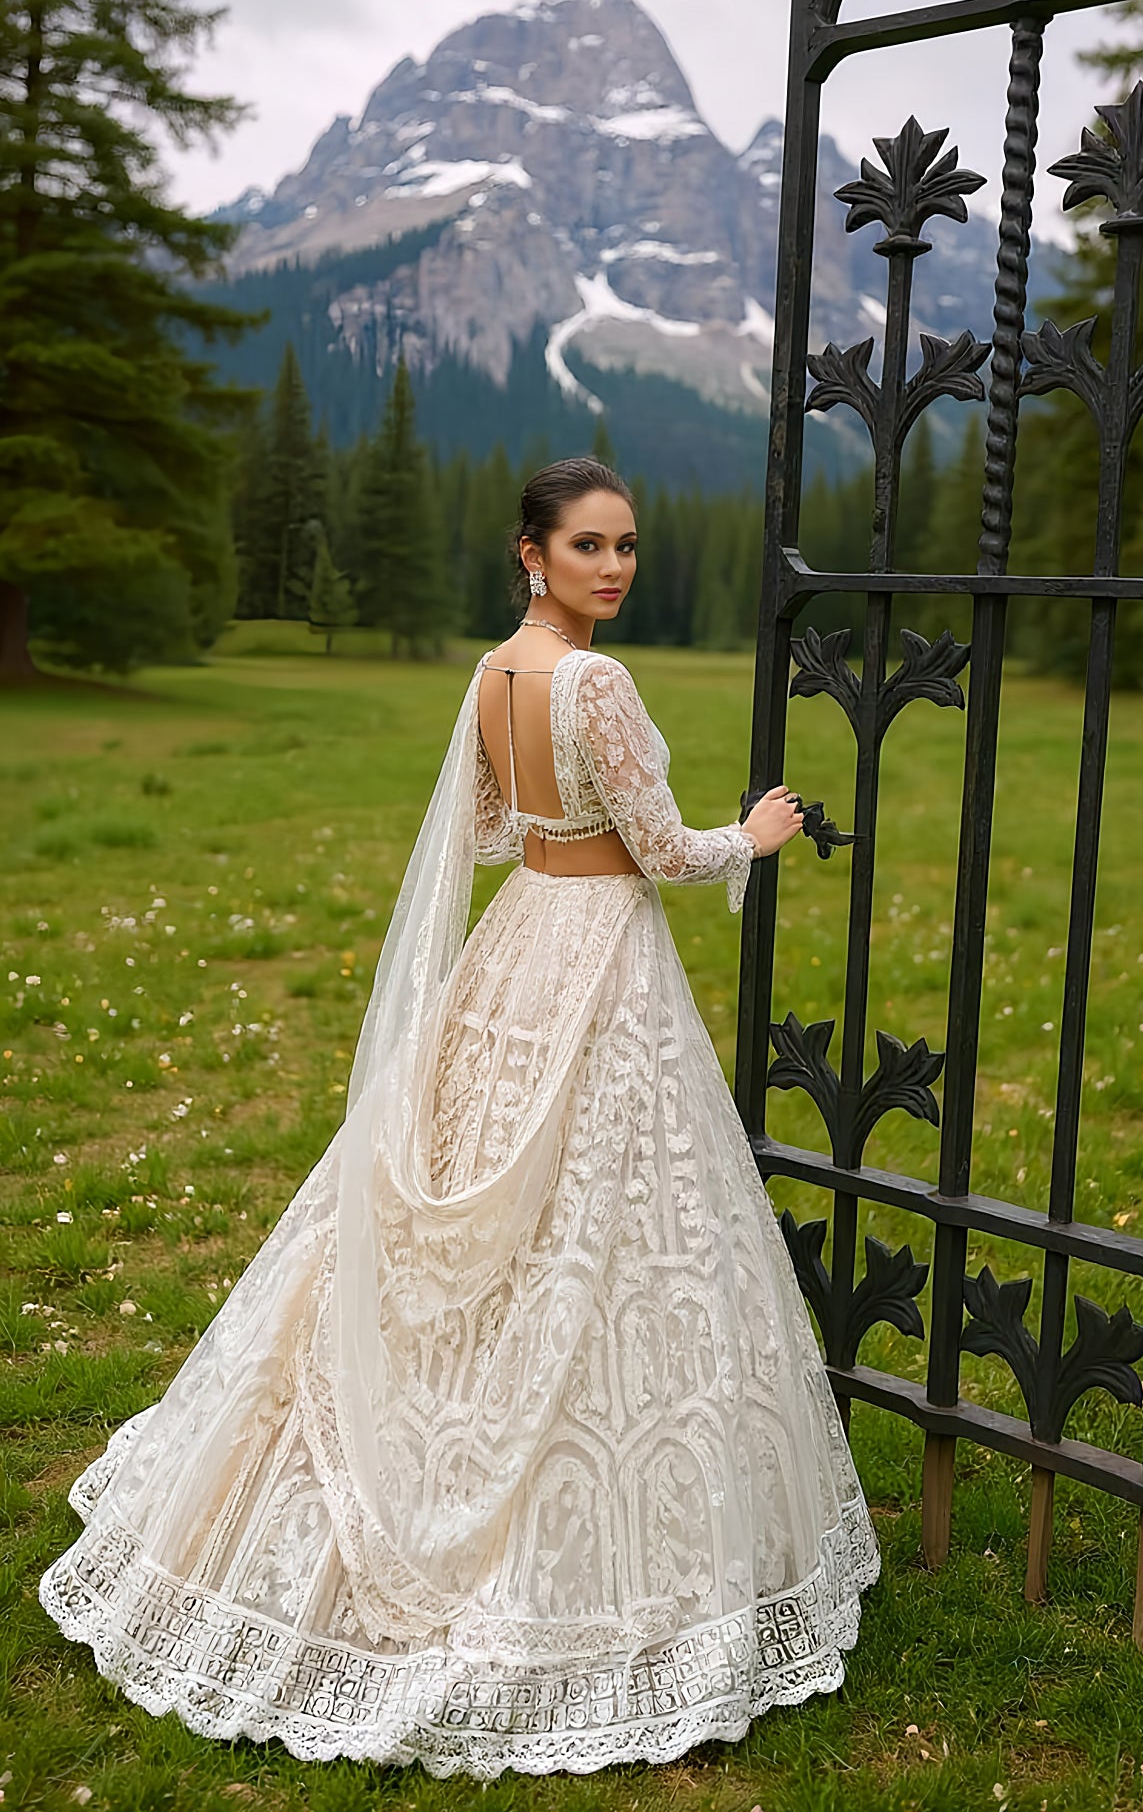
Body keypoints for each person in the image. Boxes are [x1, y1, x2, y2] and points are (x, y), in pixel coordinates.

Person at [39, 456, 880, 1776]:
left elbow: (490, 830)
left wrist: (564, 831)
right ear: (531, 554)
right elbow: (663, 854)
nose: (614, 566)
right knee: (598, 1220)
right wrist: (754, 836)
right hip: (597, 951)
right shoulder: (593, 680)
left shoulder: (493, 673)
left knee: (510, 1196)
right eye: (589, 546)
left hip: (520, 940)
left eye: (629, 545)